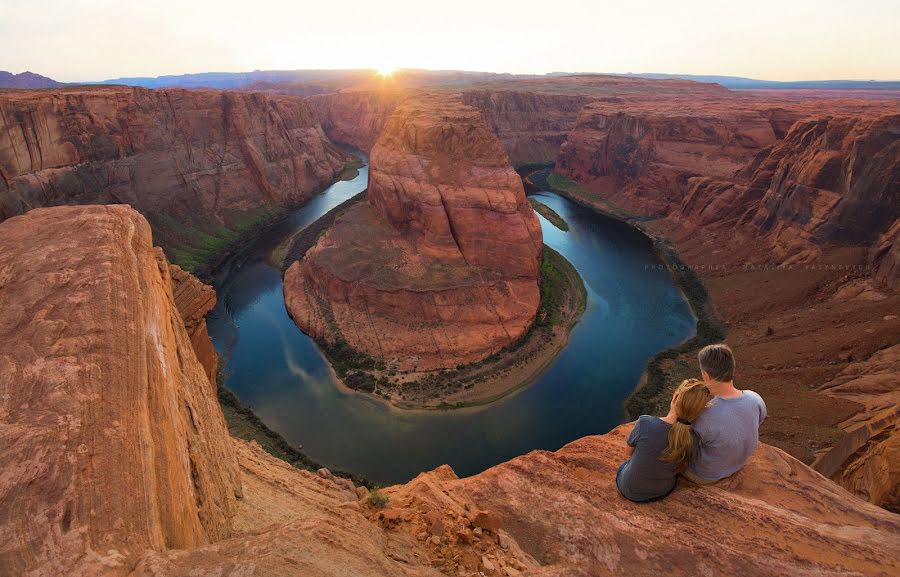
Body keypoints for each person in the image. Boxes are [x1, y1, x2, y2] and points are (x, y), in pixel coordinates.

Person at [683, 343, 767, 484]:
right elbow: (759, 419)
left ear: (706, 375)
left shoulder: (703, 415)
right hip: (738, 465)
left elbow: (686, 446)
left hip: (705, 475)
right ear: (731, 368)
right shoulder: (755, 398)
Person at [616, 379, 712, 502]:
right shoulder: (692, 440)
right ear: (698, 412)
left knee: (624, 466)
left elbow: (628, 452)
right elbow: (682, 467)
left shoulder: (645, 423)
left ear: (675, 398)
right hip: (661, 491)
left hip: (628, 488)